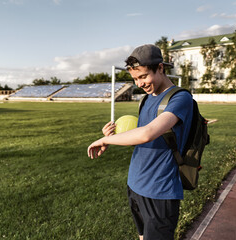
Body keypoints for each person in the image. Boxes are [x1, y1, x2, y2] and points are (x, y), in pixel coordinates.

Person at [87, 44, 193, 240]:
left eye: (143, 76)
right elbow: (139, 137)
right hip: (135, 184)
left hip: (160, 191)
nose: (139, 83)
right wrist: (112, 137)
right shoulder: (145, 100)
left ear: (160, 68)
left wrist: (103, 139)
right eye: (135, 79)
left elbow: (147, 133)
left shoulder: (180, 98)